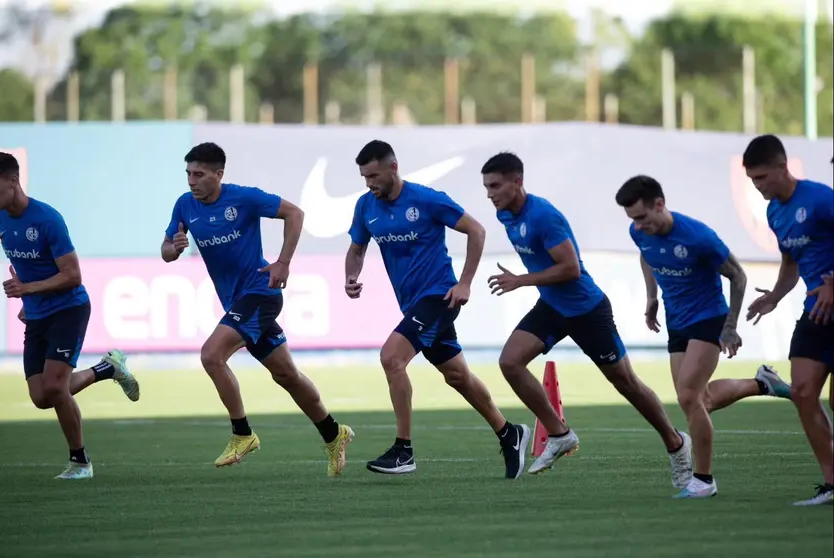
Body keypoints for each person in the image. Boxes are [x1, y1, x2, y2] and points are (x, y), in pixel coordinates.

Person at [481, 152, 693, 488]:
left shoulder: (544, 216)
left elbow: (571, 269)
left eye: (495, 185)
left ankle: (676, 443)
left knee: (627, 384)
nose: (489, 194)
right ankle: (559, 434)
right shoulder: (506, 214)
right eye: (486, 187)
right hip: (552, 307)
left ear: (517, 182)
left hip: (586, 310)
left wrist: (521, 280)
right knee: (510, 362)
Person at [161, 142, 353, 476]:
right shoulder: (184, 205)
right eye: (188, 174)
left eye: (200, 174)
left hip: (261, 292)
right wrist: (172, 248)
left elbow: (295, 214)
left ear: (219, 175)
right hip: (238, 301)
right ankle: (334, 433)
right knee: (286, 375)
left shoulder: (244, 198)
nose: (192, 181)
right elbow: (165, 251)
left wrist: (283, 262)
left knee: (211, 355)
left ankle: (242, 434)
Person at [344, 140, 530, 479]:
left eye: (373, 175)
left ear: (393, 168)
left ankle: (403, 450)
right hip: (413, 303)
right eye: (364, 177)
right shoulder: (365, 206)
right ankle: (509, 433)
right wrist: (351, 276)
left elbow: (476, 230)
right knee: (457, 376)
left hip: (440, 298)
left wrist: (465, 282)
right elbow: (356, 248)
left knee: (392, 358)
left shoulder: (427, 200)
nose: (369, 183)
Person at [615, 174, 792, 499]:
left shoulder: (698, 237)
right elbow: (646, 253)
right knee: (699, 401)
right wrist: (651, 297)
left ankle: (704, 480)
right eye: (632, 220)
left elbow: (738, 276)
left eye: (642, 217)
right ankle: (762, 383)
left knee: (688, 397)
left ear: (660, 204)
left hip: (708, 318)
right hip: (677, 322)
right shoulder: (639, 232)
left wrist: (730, 326)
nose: (638, 226)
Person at [0, 151, 139, 480]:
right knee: (40, 397)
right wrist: (26, 297)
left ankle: (81, 462)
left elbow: (73, 275)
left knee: (56, 387)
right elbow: (22, 259)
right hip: (36, 314)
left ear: (14, 181)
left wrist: (28, 290)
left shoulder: (47, 219)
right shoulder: (0, 218)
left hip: (68, 308)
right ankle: (108, 368)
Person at [743, 135, 834, 506]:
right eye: (752, 180)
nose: (758, 186)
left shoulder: (820, 198)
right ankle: (831, 484)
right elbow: (791, 264)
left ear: (783, 167)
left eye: (762, 177)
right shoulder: (774, 213)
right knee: (802, 392)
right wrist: (774, 297)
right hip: (817, 312)